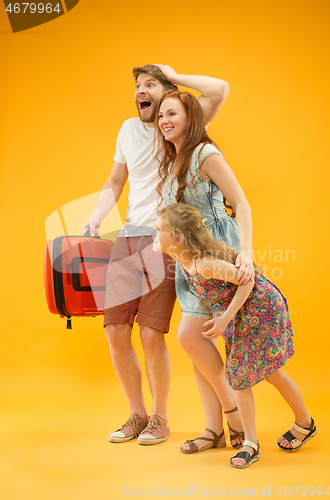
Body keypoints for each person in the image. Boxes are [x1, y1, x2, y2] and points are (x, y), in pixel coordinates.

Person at [81, 64, 230, 445]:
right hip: (128, 237)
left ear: (168, 93)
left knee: (150, 333)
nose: (140, 91)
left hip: (165, 239)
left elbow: (219, 89)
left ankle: (160, 417)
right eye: (137, 86)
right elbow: (115, 180)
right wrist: (97, 216)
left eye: (150, 84)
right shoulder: (128, 130)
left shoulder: (179, 126)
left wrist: (175, 74)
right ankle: (136, 413)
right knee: (114, 329)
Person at [153, 203, 317, 467]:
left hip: (259, 308)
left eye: (159, 229)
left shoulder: (203, 264)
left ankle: (304, 423)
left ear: (179, 238)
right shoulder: (182, 260)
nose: (154, 233)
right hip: (240, 314)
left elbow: (248, 282)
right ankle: (252, 441)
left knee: (269, 374)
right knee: (241, 377)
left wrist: (224, 319)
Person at [155, 90, 254, 451]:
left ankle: (233, 415)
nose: (164, 120)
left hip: (213, 253)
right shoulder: (172, 159)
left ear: (191, 116)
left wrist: (246, 251)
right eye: (161, 115)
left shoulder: (204, 153)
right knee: (199, 344)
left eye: (172, 113)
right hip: (189, 259)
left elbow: (241, 202)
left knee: (190, 336)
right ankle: (214, 430)